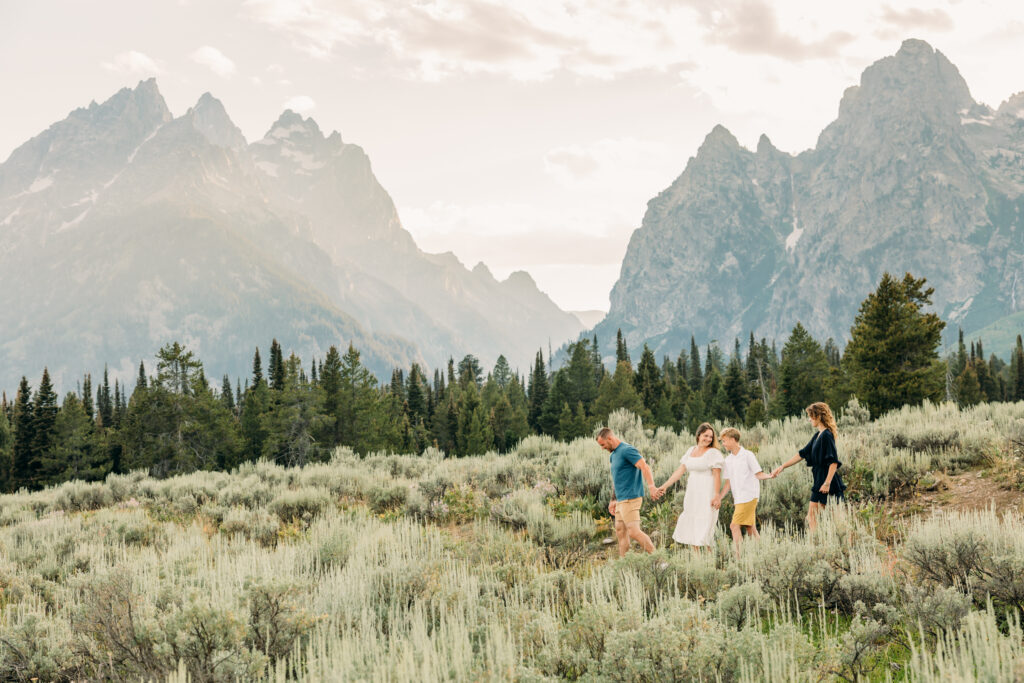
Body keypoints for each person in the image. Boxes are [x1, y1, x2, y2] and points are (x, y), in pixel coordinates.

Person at [770, 402, 846, 531]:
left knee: (837, 519)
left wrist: (827, 483)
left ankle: (845, 546)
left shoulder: (827, 435)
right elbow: (802, 454)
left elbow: (833, 462)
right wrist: (783, 466)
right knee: (811, 517)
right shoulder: (817, 435)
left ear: (818, 416)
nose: (809, 419)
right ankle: (815, 546)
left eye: (811, 416)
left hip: (828, 482)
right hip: (819, 480)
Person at [656, 423, 724, 549]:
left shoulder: (713, 453)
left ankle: (709, 559)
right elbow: (679, 471)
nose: (708, 439)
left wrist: (716, 496)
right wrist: (664, 486)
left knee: (707, 522)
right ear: (698, 435)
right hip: (693, 491)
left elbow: (717, 475)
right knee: (692, 521)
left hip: (707, 491)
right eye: (705, 436)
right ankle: (696, 559)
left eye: (711, 437)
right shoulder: (690, 451)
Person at [597, 427, 662, 557]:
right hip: (621, 501)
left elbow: (644, 466)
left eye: (603, 445)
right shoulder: (613, 456)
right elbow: (617, 479)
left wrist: (651, 487)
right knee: (621, 532)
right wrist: (613, 499)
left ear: (610, 438)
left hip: (631, 498)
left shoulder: (627, 450)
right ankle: (624, 565)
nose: (602, 448)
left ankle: (660, 560)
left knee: (633, 532)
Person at [715, 427, 774, 558]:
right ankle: (765, 555)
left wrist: (769, 476)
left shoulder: (748, 455)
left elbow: (758, 474)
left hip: (749, 496)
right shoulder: (728, 460)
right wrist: (719, 497)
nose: (723, 444)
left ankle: (739, 557)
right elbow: (728, 483)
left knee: (734, 526)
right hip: (739, 498)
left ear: (732, 440)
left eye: (724, 441)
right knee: (749, 527)